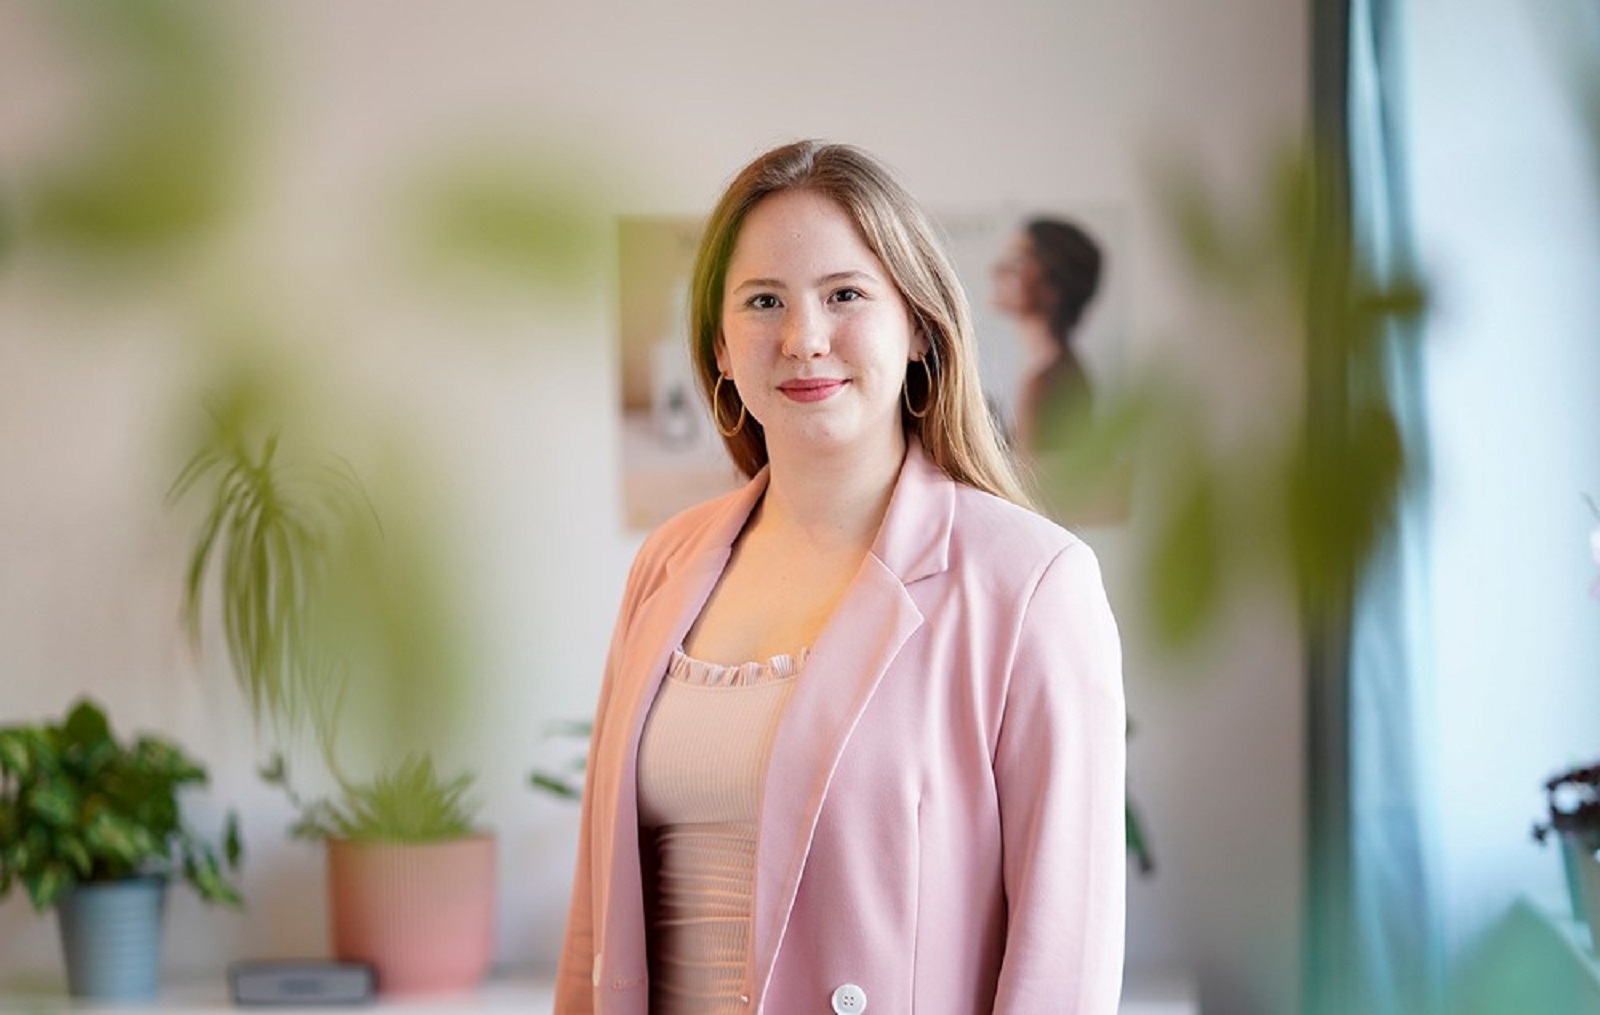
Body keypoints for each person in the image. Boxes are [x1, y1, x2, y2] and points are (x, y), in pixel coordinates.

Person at [557, 140, 1125, 1014]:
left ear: (920, 328)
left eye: (845, 295)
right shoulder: (665, 563)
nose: (804, 339)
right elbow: (595, 925)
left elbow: (1064, 968)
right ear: (720, 346)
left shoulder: (1033, 584)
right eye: (764, 301)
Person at [990, 217, 1103, 458]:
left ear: (1053, 284)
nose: (998, 270)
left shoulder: (1044, 383)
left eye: (1018, 261)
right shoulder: (1061, 369)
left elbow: (1027, 479)